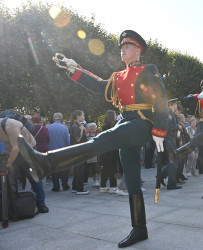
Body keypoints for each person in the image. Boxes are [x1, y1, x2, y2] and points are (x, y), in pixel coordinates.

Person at [17, 30, 168, 247]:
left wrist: (160, 131)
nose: (123, 50)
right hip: (125, 121)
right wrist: (74, 68)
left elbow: (161, 100)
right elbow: (98, 85)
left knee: (100, 140)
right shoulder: (118, 76)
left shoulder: (149, 70)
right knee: (132, 177)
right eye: (122, 47)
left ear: (138, 50)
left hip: (142, 122)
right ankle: (139, 228)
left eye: (127, 46)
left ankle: (47, 162)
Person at [0, 117, 49, 213]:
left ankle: (41, 204)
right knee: (10, 180)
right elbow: (2, 146)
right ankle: (12, 206)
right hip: (11, 152)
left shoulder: (11, 125)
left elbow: (16, 147)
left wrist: (7, 163)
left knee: (34, 177)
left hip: (27, 151)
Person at [161, 98, 182, 190]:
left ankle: (161, 175)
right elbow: (168, 126)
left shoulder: (171, 113)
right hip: (169, 139)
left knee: (173, 160)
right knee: (174, 161)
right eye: (175, 104)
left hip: (171, 139)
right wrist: (178, 126)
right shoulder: (168, 113)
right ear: (173, 105)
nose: (176, 105)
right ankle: (171, 183)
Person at [48, 112, 71, 191]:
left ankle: (56, 186)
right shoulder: (64, 128)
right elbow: (68, 141)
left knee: (54, 170)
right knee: (64, 169)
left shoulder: (48, 128)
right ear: (61, 119)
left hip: (51, 152)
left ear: (53, 119)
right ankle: (65, 185)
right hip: (63, 151)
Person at [69, 110, 90, 195]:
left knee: (78, 169)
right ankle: (80, 189)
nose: (84, 117)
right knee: (79, 170)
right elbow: (77, 139)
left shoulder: (76, 125)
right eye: (82, 115)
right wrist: (81, 131)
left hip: (77, 150)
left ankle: (75, 187)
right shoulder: (76, 126)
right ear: (78, 116)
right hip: (78, 150)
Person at [99, 110, 119, 193]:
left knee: (106, 168)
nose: (115, 117)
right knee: (112, 168)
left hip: (106, 149)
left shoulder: (105, 126)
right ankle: (113, 186)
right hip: (110, 150)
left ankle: (103, 186)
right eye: (114, 115)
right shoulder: (109, 126)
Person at [86, 122, 101, 187]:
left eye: (93, 126)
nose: (92, 128)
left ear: (96, 127)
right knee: (92, 168)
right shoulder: (86, 135)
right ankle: (95, 181)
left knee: (98, 167)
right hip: (90, 155)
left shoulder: (99, 134)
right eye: (90, 127)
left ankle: (97, 180)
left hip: (98, 154)